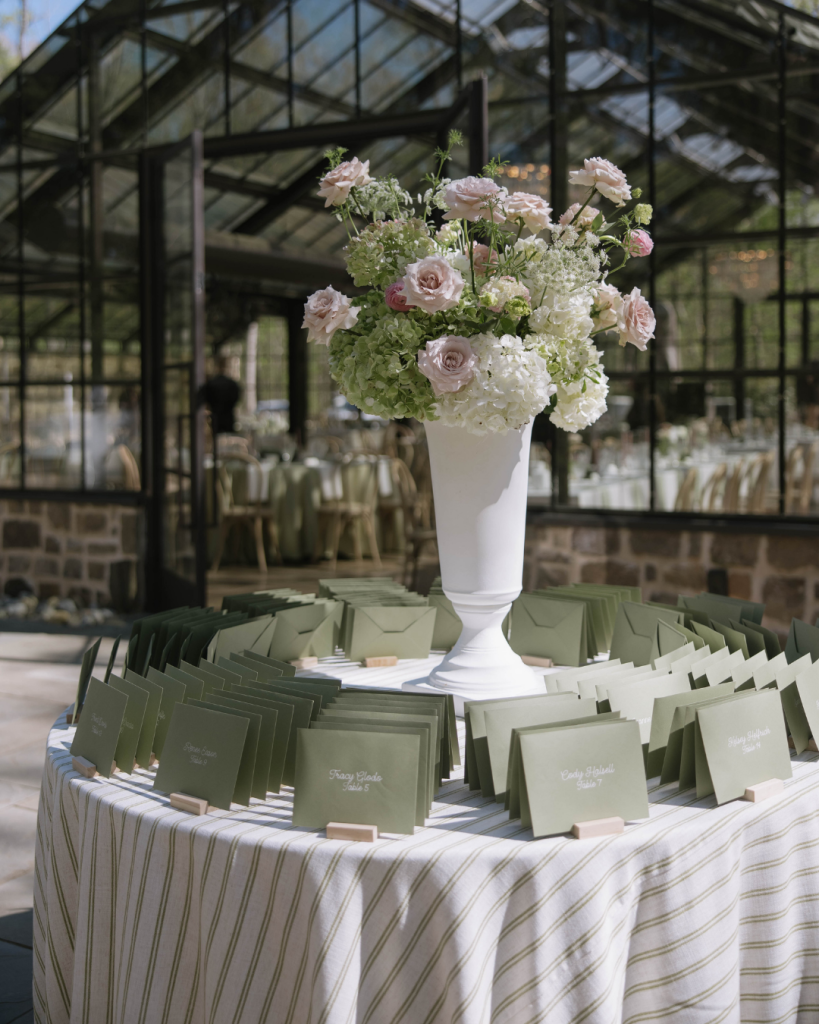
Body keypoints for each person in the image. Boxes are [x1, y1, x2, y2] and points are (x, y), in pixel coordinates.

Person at [197, 354, 241, 434]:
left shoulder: (211, 384)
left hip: (216, 419)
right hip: (228, 420)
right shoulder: (232, 384)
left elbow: (200, 399)